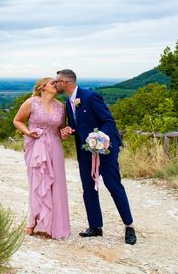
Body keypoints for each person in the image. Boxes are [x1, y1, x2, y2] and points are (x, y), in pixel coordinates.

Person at [55, 69, 136, 245]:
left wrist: (98, 139)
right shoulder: (69, 102)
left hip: (105, 150)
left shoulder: (90, 96)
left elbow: (109, 121)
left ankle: (129, 226)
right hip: (84, 153)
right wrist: (70, 129)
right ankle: (95, 226)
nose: (55, 84)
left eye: (57, 81)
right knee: (88, 189)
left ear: (66, 82)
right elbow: (78, 124)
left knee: (114, 186)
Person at [13, 77, 70, 239]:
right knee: (37, 181)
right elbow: (17, 120)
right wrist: (27, 132)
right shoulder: (31, 102)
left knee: (55, 183)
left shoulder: (61, 106)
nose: (56, 85)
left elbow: (60, 128)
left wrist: (64, 132)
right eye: (52, 83)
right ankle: (34, 222)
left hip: (55, 145)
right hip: (37, 145)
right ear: (43, 87)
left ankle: (53, 224)